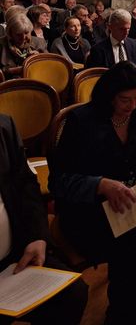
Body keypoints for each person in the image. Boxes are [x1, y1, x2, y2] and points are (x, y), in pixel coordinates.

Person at [48, 62, 136, 324]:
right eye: (125, 100)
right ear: (109, 95)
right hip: (95, 208)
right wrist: (101, 184)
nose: (133, 105)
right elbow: (59, 181)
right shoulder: (82, 121)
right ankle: (126, 315)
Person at [0, 113, 88, 324]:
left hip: (14, 258)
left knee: (72, 294)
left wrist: (37, 236)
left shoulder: (3, 125)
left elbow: (25, 183)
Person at [0, 14, 46, 78]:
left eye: (26, 33)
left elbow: (49, 65)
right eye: (18, 34)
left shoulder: (39, 43)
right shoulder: (1, 44)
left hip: (35, 80)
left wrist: (39, 58)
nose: (23, 37)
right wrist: (11, 71)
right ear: (10, 33)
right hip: (9, 82)